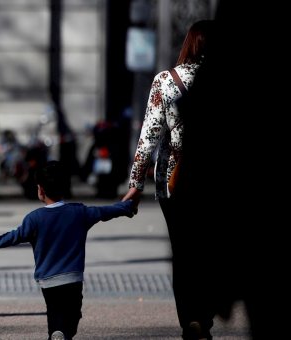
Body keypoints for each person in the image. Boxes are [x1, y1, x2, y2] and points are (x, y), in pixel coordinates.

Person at [121, 20, 216, 340]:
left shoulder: (167, 80)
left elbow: (148, 137)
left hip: (175, 180)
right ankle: (206, 314)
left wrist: (135, 184)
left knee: (183, 249)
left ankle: (190, 317)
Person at [0, 160, 134, 340]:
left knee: (54, 312)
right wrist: (127, 207)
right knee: (73, 316)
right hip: (73, 278)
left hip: (48, 280)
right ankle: (61, 333)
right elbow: (106, 212)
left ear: (40, 190)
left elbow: (14, 237)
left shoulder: (34, 218)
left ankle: (56, 333)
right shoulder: (79, 212)